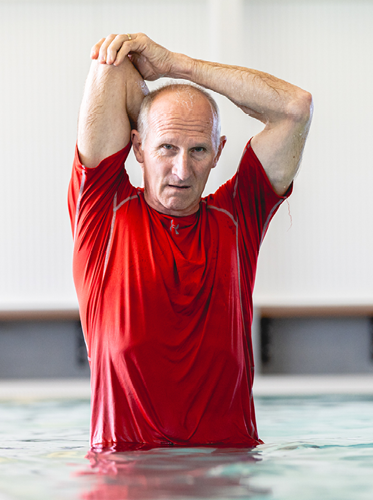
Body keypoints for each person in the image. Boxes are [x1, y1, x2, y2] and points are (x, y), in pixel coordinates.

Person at [69, 33, 312, 451]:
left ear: (219, 152)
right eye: (166, 147)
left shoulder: (238, 218)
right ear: (137, 147)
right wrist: (152, 102)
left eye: (198, 150)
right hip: (125, 475)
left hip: (227, 473)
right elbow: (110, 65)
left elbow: (295, 108)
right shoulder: (103, 211)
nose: (182, 170)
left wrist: (176, 65)